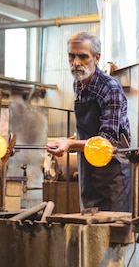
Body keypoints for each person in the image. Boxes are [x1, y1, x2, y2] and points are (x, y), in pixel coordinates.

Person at [46, 31, 132, 212]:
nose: (76, 63)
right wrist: (73, 139)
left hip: (112, 174)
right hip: (87, 168)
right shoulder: (78, 83)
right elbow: (92, 128)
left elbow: (105, 142)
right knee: (88, 227)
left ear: (97, 57)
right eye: (71, 56)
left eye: (83, 57)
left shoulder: (110, 88)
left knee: (113, 231)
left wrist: (70, 144)